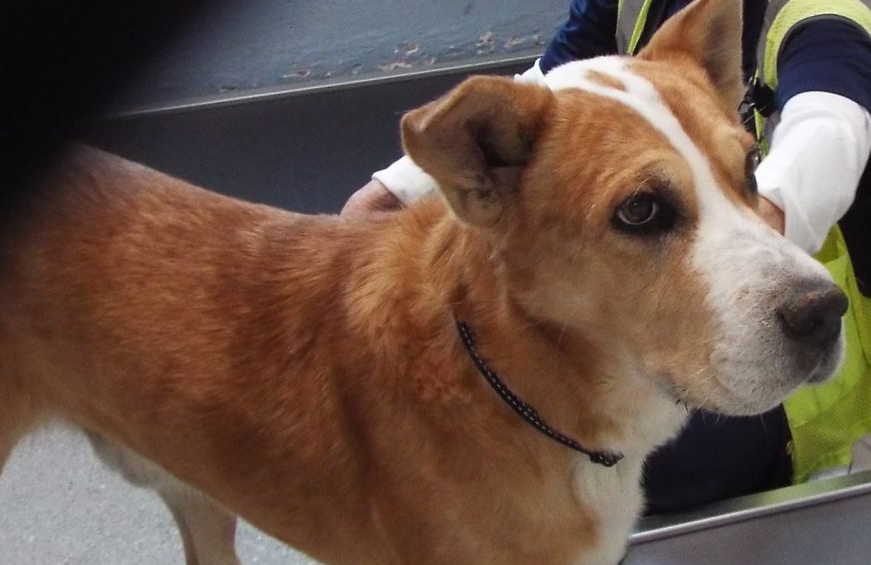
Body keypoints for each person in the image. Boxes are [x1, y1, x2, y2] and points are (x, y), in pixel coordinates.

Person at [343, 0, 871, 514]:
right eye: (642, 209)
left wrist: (759, 216)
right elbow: (552, 79)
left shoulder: (817, 11)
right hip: (668, 319)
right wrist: (397, 186)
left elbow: (832, 120)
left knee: (668, 467)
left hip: (774, 367)